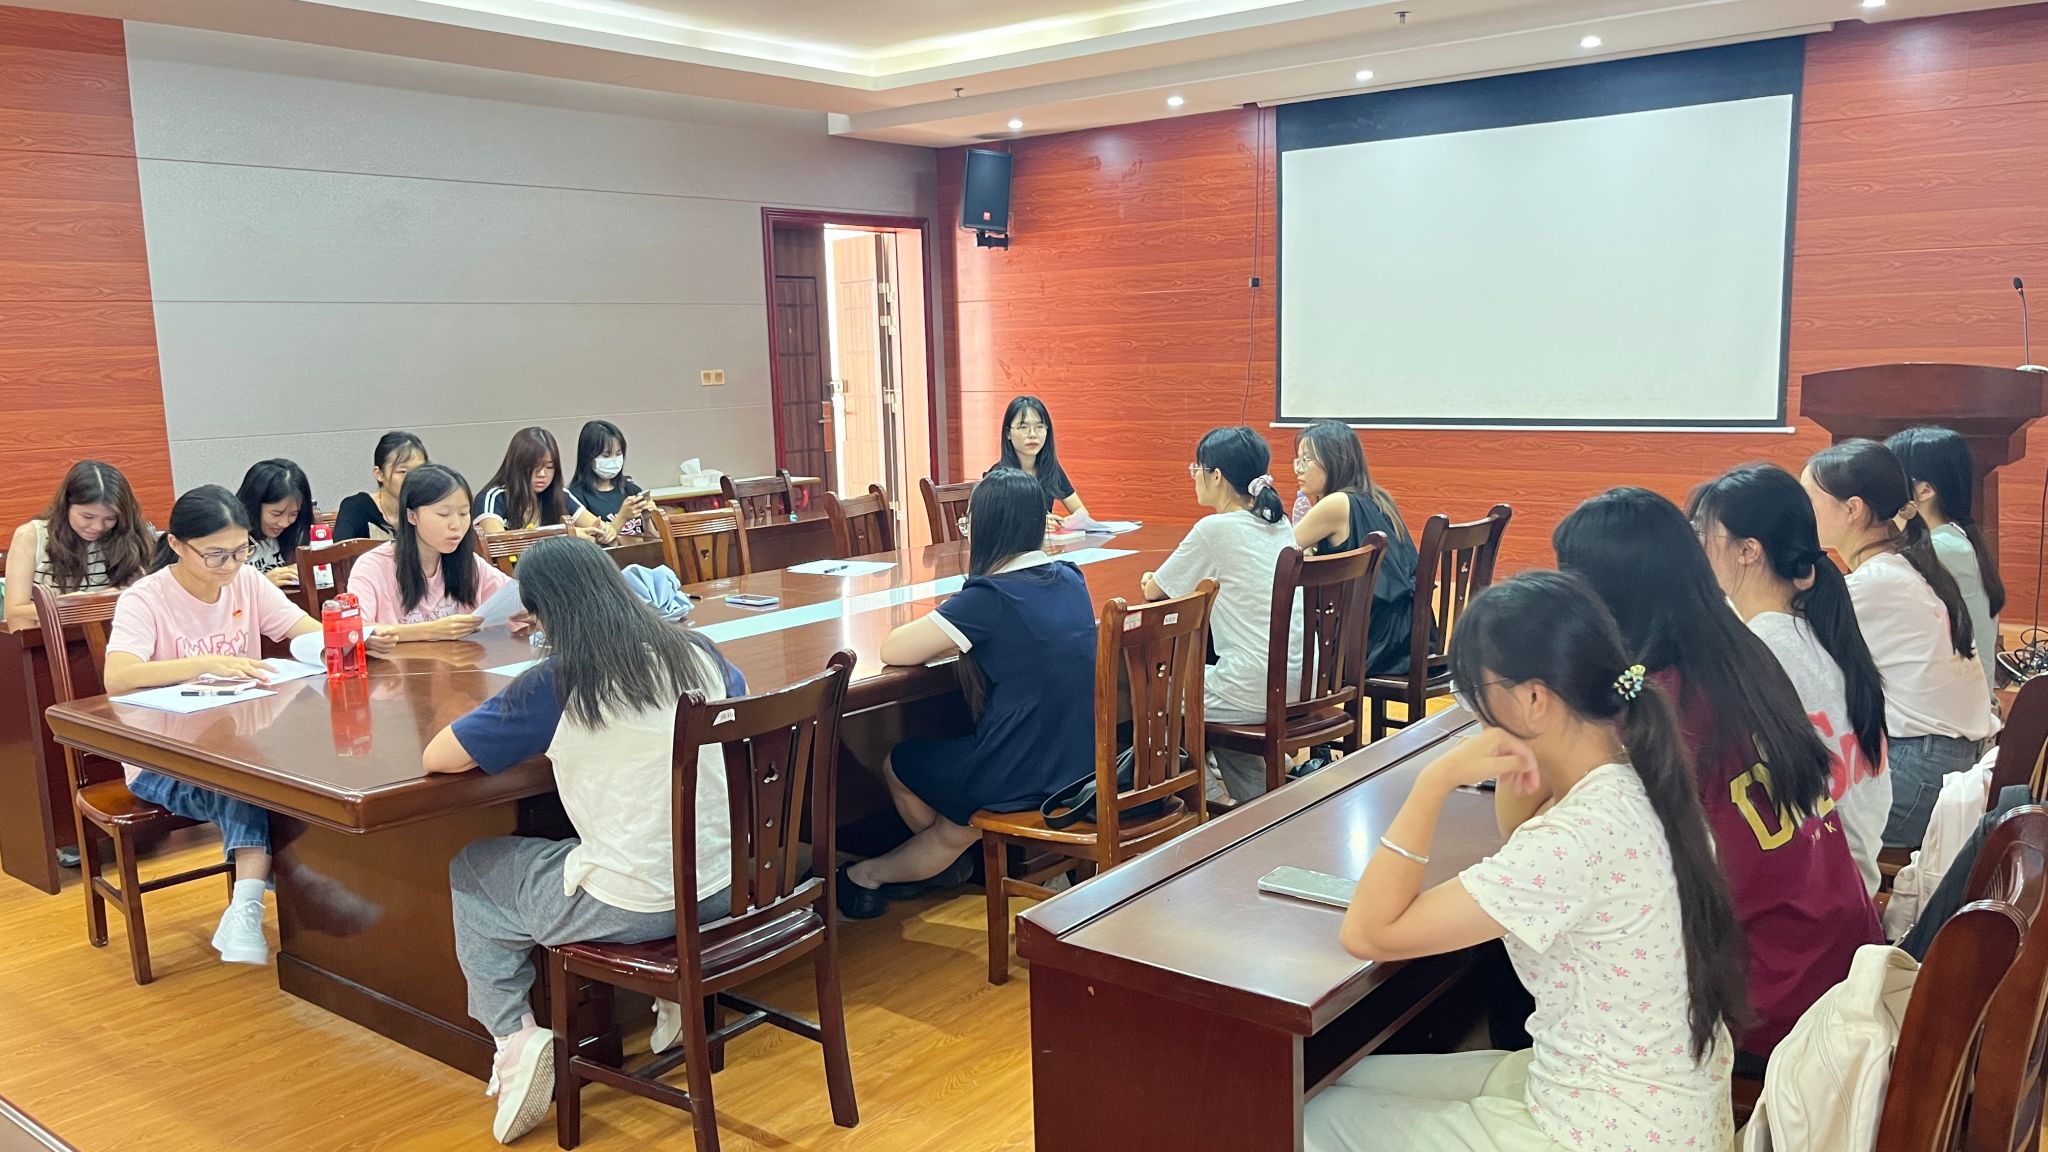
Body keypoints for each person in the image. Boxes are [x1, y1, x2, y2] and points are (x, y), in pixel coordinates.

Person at [1303, 570, 1742, 1152]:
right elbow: (1518, 836)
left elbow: (1368, 933)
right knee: (1341, 1079)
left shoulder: (1575, 839)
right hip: (1656, 1105)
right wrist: (1521, 755)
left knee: (1310, 1118)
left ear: (1535, 699)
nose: (1477, 716)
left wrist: (1434, 782)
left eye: (1477, 697)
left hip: (1604, 1128)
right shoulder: (1640, 774)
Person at [424, 535, 742, 1144]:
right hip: (730, 885)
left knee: (474, 868)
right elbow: (738, 707)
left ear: (541, 615)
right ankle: (677, 998)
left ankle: (514, 1038)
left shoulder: (556, 681)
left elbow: (440, 757)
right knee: (633, 835)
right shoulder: (697, 650)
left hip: (637, 904)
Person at [1555, 487, 1879, 1064]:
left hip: (1771, 1006)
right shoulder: (1745, 651)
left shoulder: (1659, 705)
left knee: (1546, 959)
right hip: (1840, 961)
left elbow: (1598, 865)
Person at [100, 486, 388, 965]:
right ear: (176, 545)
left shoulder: (247, 582)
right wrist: (205, 664)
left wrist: (351, 638)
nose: (231, 565)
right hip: (162, 759)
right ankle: (276, 895)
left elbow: (302, 629)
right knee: (246, 785)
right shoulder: (145, 598)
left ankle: (270, 895)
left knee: (288, 773)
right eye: (216, 554)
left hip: (238, 744)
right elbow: (119, 676)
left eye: (240, 550)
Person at [839, 468, 1097, 918]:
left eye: (968, 522)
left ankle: (903, 867)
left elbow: (893, 649)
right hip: (1079, 761)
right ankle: (939, 850)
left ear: (988, 528)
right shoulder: (1070, 578)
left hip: (1017, 771)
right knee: (955, 823)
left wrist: (954, 626)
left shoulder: (990, 597)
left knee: (899, 763)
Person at [1690, 464, 1893, 897]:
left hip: (1815, 895)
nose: (1696, 546)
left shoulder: (1761, 648)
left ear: (1748, 550)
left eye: (1703, 532)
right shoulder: (1817, 625)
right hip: (1850, 882)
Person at [1804, 439, 1998, 849]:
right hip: (1941, 764)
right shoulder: (1907, 563)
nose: (1802, 512)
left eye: (1809, 498)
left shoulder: (1877, 582)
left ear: (1853, 508)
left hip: (1918, 777)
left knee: (1786, 820)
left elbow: (1786, 643)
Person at [1141, 426, 1302, 803]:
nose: (1193, 476)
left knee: (1148, 693)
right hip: (1299, 680)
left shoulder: (1214, 529)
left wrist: (1151, 579)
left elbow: (1155, 592)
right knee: (1214, 694)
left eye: (1196, 469)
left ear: (1216, 476)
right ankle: (1257, 803)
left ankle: (1202, 799)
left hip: (1255, 687)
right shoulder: (1279, 521)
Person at [1291, 420, 1419, 676]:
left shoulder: (1336, 503)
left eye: (1307, 459)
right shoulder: (1378, 497)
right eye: (1297, 460)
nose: (1299, 468)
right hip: (1406, 634)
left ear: (1334, 461)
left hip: (1369, 643)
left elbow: (1279, 553)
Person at [1886, 426, 2004, 698]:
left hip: (1949, 715)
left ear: (1924, 490)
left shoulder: (1943, 549)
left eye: (1890, 480)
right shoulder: (1949, 539)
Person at [346, 465, 510, 641]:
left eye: (464, 513)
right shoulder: (373, 566)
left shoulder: (469, 563)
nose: (456, 525)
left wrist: (525, 610)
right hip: (400, 660)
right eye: (444, 514)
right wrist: (430, 631)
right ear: (412, 516)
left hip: (462, 659)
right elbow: (354, 630)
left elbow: (515, 598)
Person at [4, 461, 154, 629]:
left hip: (116, 636)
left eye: (110, 518)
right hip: (49, 638)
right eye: (87, 517)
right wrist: (75, 605)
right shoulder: (31, 536)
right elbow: (15, 612)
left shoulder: (127, 536)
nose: (98, 527)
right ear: (66, 505)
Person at [475, 426, 609, 541]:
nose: (542, 474)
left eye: (550, 467)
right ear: (517, 465)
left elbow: (598, 527)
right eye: (535, 466)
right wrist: (565, 534)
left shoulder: (561, 495)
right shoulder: (493, 497)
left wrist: (609, 531)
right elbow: (498, 542)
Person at [992, 396, 1089, 532]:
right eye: (1023, 427)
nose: (1033, 434)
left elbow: (1080, 511)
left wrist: (1070, 521)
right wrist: (1036, 524)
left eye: (1039, 427)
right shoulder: (998, 476)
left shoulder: (1050, 468)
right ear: (1008, 433)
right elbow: (993, 526)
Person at [566, 419, 656, 539]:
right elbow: (598, 540)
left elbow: (654, 539)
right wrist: (622, 517)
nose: (614, 460)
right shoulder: (576, 497)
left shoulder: (631, 489)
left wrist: (647, 519)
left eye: (618, 454)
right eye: (606, 455)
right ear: (588, 457)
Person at [333, 432, 428, 542]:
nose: (413, 478)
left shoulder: (429, 506)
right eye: (403, 471)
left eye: (419, 471)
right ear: (379, 474)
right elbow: (341, 549)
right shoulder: (355, 507)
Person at [235, 458, 314, 588]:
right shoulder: (230, 540)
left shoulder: (294, 533)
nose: (284, 523)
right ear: (253, 505)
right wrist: (262, 583)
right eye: (276, 514)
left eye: (293, 514)